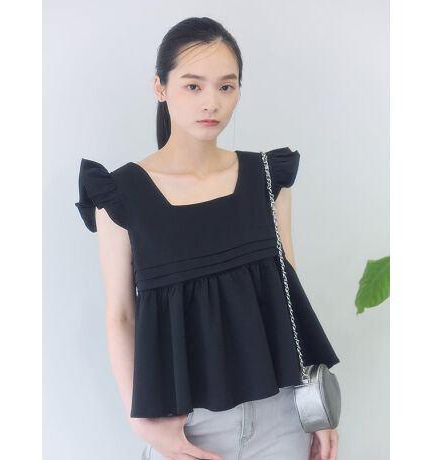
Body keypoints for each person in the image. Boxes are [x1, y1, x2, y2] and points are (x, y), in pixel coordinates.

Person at [75, 16, 340, 460]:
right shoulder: (119, 195)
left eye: (226, 86)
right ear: (160, 87)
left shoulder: (268, 177)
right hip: (187, 426)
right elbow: (121, 315)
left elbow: (288, 293)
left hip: (282, 416)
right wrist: (143, 425)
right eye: (193, 86)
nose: (211, 102)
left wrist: (318, 408)